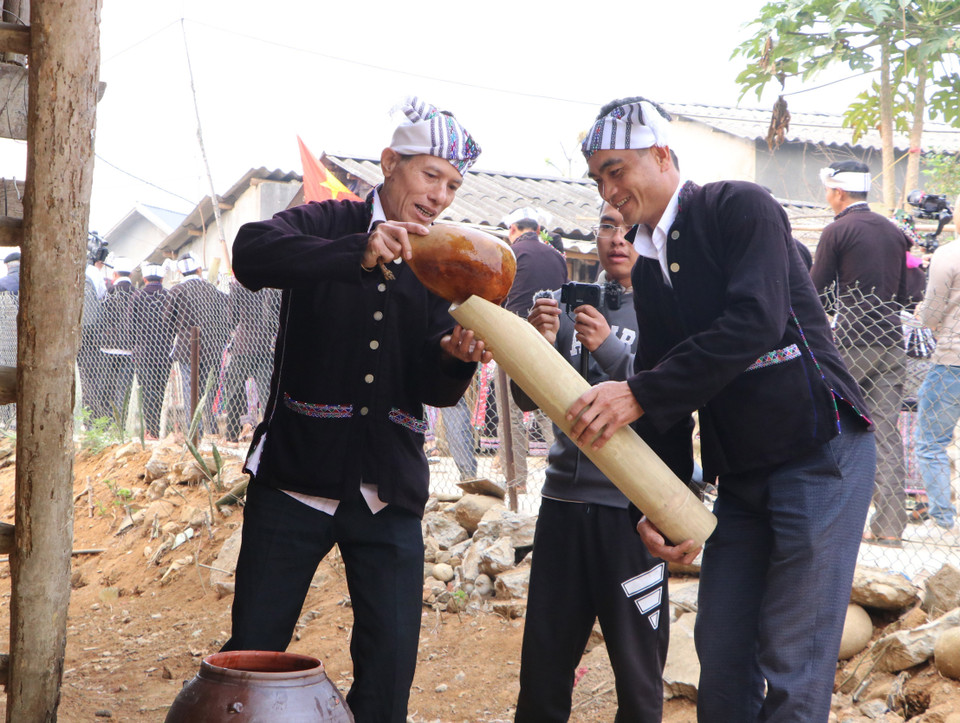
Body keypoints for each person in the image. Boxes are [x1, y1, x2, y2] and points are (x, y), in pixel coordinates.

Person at [565, 97, 875, 722]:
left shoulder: (738, 205)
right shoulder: (649, 268)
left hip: (820, 451)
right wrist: (660, 506)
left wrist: (639, 392)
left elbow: (755, 320)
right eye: (598, 177)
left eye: (617, 169)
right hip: (743, 475)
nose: (609, 189)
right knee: (722, 649)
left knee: (792, 655)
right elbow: (664, 401)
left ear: (660, 155)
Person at [222, 96, 489, 722]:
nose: (441, 195)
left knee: (389, 669)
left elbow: (433, 387)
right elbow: (253, 253)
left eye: (452, 184)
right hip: (295, 480)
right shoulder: (328, 221)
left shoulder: (439, 260)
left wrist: (455, 356)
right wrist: (359, 251)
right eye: (430, 175)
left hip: (387, 490)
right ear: (390, 162)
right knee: (253, 658)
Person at [512, 201, 686, 722]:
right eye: (607, 227)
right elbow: (526, 402)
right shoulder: (564, 308)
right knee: (544, 668)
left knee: (637, 673)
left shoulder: (668, 311)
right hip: (562, 506)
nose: (617, 239)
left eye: (630, 230)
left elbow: (669, 398)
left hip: (632, 519)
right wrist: (538, 344)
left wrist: (609, 348)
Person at [811, 160, 911, 546]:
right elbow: (904, 295)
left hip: (851, 341)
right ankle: (889, 528)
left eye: (829, 191)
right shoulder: (893, 232)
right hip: (890, 341)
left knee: (830, 425)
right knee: (886, 435)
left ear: (838, 192)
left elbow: (815, 291)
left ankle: (830, 518)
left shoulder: (838, 230)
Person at [498, 207, 568, 490]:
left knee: (510, 410)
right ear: (538, 231)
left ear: (513, 229)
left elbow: (500, 292)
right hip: (551, 334)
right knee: (546, 406)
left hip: (514, 332)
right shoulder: (557, 257)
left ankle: (516, 481)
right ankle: (560, 469)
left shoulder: (511, 253)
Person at [914, 234, 960, 543]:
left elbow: (931, 314)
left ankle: (945, 521)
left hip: (952, 359)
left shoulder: (949, 253)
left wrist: (922, 314)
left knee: (931, 443)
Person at [163, 253, 229, 436]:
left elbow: (166, 320)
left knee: (189, 388)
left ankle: (195, 431)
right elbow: (225, 314)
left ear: (180, 272)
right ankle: (213, 428)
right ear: (199, 270)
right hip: (212, 347)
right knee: (210, 388)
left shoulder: (176, 291)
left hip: (186, 348)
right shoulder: (211, 289)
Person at [223, 280, 280, 442]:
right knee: (267, 393)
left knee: (234, 390)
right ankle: (271, 432)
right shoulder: (272, 285)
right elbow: (275, 316)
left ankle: (231, 434)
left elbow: (232, 318)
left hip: (243, 344)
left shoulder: (238, 285)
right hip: (264, 345)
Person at [128, 263, 173, 439]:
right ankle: (157, 429)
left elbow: (130, 326)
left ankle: (151, 430)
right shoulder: (168, 295)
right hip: (164, 352)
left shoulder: (137, 296)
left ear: (145, 279)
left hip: (144, 352)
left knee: (147, 391)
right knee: (160, 390)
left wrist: (133, 347)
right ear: (162, 279)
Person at [99, 257, 136, 423]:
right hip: (129, 349)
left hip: (108, 347)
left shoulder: (109, 292)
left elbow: (102, 316)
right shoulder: (136, 293)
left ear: (114, 274)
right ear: (131, 274)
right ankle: (120, 423)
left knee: (108, 387)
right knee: (124, 389)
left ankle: (107, 423)